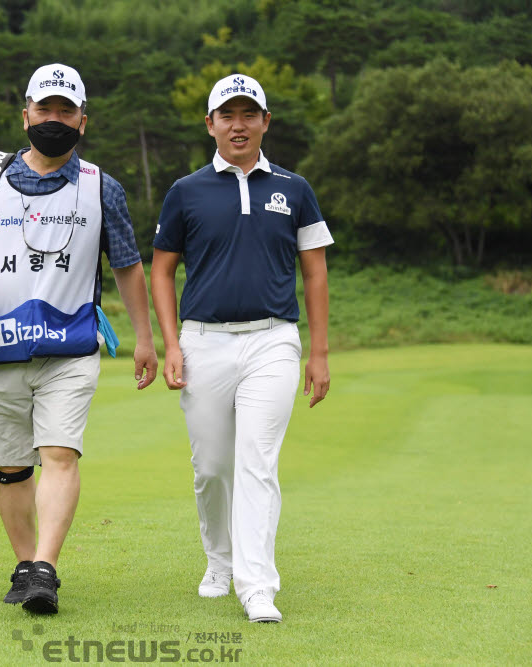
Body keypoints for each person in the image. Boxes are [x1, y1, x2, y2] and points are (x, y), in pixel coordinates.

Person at [0, 63, 158, 615]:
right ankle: (26, 566)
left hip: (69, 348)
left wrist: (145, 338)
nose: (54, 119)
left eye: (65, 111)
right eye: (44, 109)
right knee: (10, 467)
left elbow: (127, 265)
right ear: (25, 114)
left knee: (59, 452)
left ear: (83, 121)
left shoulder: (103, 187)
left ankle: (46, 569)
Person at [150, 74, 333, 623]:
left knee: (258, 461)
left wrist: (318, 353)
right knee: (211, 466)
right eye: (227, 115)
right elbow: (163, 271)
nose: (238, 124)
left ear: (265, 122)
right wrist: (170, 343)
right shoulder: (186, 191)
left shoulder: (295, 190)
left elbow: (316, 274)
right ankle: (219, 561)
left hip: (274, 340)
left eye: (248, 114)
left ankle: (258, 586)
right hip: (203, 341)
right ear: (210, 124)